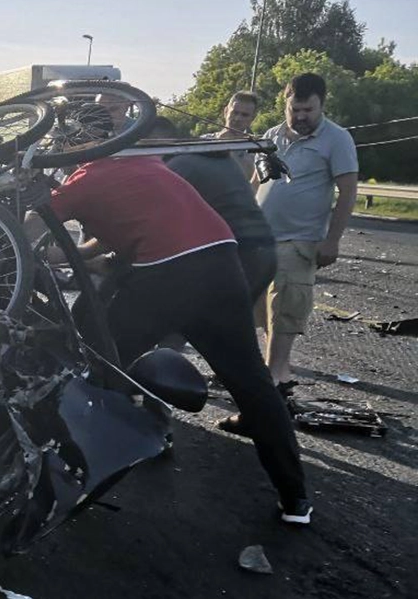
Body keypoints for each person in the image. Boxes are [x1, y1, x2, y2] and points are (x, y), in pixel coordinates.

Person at [31, 155, 312, 525]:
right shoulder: (145, 163)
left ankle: (66, 474)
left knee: (99, 364)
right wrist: (82, 255)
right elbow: (145, 219)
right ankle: (296, 500)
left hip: (167, 277)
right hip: (223, 260)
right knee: (251, 380)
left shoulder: (80, 181)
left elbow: (27, 229)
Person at [255, 73, 359, 391]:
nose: (300, 117)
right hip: (261, 239)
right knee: (262, 311)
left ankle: (272, 380)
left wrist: (333, 240)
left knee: (286, 308)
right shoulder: (272, 135)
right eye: (294, 110)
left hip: (299, 240)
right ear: (286, 104)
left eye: (308, 111)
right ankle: (276, 373)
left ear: (321, 105)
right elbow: (255, 184)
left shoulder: (337, 139)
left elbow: (348, 191)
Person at [147, 117, 277, 304]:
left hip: (241, 258)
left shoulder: (178, 167)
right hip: (264, 253)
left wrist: (104, 256)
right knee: (229, 326)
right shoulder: (209, 155)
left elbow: (151, 223)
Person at [206, 91, 262, 175]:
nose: (238, 118)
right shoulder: (204, 142)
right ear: (226, 112)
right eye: (234, 112)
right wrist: (218, 142)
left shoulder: (257, 149)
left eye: (245, 115)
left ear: (252, 118)